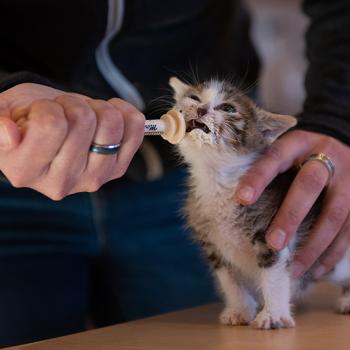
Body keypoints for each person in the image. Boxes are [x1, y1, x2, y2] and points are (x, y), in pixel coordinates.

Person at [0, 0, 349, 347]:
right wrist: (8, 89)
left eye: (223, 107)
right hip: (16, 177)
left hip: (166, 187)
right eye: (196, 99)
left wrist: (338, 116)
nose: (204, 108)